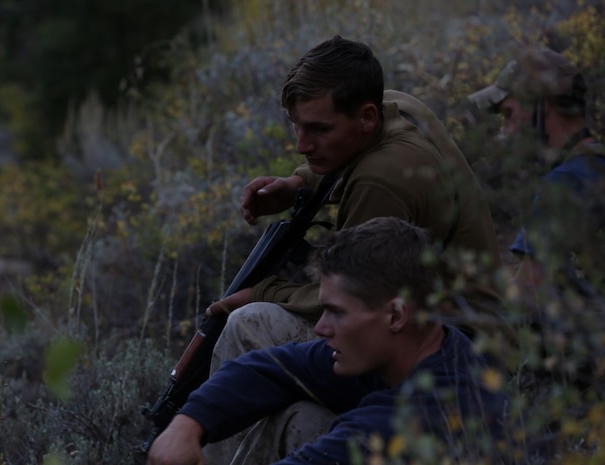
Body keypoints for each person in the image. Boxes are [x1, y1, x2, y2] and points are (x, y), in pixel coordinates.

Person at [201, 35, 508, 462]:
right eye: (298, 125)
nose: (302, 145)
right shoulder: (394, 105)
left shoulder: (381, 181)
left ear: (365, 116)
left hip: (453, 347)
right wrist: (300, 182)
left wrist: (264, 292)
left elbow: (355, 293)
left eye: (319, 129)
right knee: (301, 414)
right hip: (456, 324)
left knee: (247, 324)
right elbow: (351, 157)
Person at [148, 217, 508, 465]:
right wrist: (188, 423)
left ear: (396, 315)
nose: (321, 327)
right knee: (303, 414)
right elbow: (273, 367)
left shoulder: (418, 415)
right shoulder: (425, 347)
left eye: (336, 312)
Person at [468, 46, 604, 303]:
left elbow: (528, 295)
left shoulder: (566, 182)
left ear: (540, 104)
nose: (504, 132)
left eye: (508, 115)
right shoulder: (594, 166)